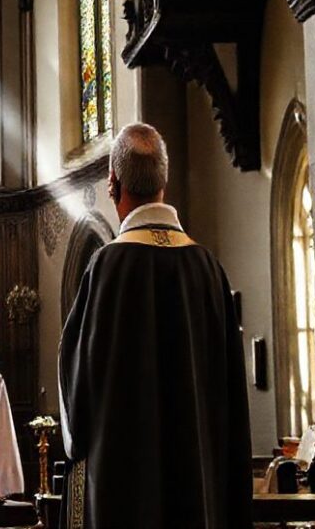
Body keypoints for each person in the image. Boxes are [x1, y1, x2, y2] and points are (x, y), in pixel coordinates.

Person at [57, 124, 252, 529]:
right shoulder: (208, 270)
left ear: (113, 184)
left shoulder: (107, 270)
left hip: (124, 496)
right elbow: (232, 403)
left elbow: (77, 393)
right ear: (164, 180)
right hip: (198, 498)